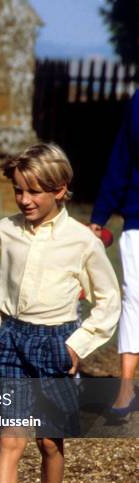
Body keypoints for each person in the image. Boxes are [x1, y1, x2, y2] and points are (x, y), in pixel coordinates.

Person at [0, 143, 120, 483]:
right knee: (11, 436)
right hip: (11, 341)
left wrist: (77, 345)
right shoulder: (4, 232)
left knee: (49, 440)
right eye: (18, 190)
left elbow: (109, 301)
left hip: (56, 343)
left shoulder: (82, 243)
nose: (24, 200)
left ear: (61, 190)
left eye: (34, 192)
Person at [90, 88, 139, 416]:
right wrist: (99, 218)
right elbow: (122, 157)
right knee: (134, 299)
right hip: (138, 217)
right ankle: (125, 386)